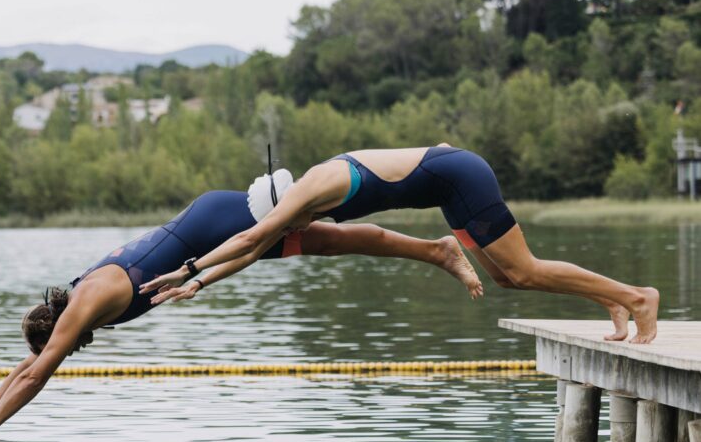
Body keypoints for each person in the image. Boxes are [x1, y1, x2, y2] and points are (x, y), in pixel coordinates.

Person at [0, 182, 482, 442]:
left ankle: (420, 215)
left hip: (219, 224)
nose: (64, 351)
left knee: (331, 234)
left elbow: (35, 376)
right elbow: (25, 369)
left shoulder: (89, 300)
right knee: (335, 245)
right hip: (208, 229)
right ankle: (435, 250)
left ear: (62, 330)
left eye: (60, 346)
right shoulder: (81, 308)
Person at [140, 145, 660, 344]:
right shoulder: (298, 206)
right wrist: (200, 282)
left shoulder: (312, 190)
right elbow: (254, 250)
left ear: (281, 205)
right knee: (506, 277)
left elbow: (251, 238)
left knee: (520, 269)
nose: (289, 232)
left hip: (459, 176)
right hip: (446, 190)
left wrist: (187, 267)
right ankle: (612, 300)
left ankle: (638, 297)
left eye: (281, 220)